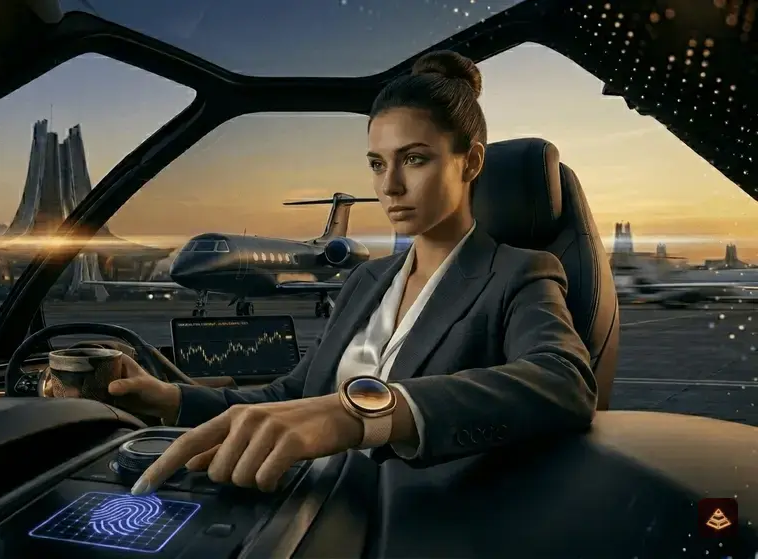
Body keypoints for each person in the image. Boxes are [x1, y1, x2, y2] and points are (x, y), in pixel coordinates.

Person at [107, 50, 598, 496]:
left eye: (414, 159)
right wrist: (170, 399)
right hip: (306, 498)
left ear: (470, 162)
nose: (391, 186)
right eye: (377, 164)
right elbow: (291, 397)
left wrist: (361, 414)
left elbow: (564, 381)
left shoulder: (519, 271)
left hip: (412, 519)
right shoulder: (366, 281)